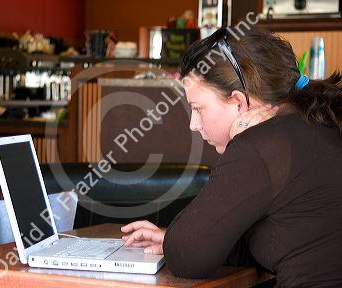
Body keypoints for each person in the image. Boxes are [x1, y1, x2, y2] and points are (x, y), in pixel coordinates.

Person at [121, 26, 342, 287]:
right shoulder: (314, 123)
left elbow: (186, 256)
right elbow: (264, 237)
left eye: (198, 108)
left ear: (238, 102)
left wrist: (178, 241)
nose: (193, 124)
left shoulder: (262, 145)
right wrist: (175, 238)